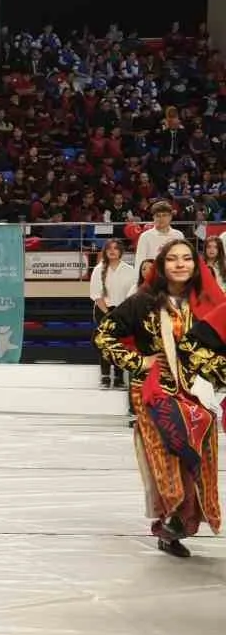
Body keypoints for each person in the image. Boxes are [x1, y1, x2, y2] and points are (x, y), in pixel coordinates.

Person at [95, 239, 226, 559]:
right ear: (162, 266)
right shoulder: (143, 302)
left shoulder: (207, 305)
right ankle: (169, 515)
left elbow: (215, 352)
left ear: (196, 266)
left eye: (187, 259)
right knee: (166, 450)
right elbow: (104, 334)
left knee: (196, 452)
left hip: (188, 391)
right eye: (173, 259)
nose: (180, 264)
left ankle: (178, 524)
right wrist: (141, 362)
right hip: (149, 390)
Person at [89, 238, 139, 390]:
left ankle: (118, 377)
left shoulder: (130, 270)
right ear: (105, 251)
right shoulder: (99, 269)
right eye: (109, 248)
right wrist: (108, 313)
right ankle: (105, 376)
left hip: (123, 312)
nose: (112, 251)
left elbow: (133, 294)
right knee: (105, 344)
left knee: (121, 345)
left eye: (116, 248)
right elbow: (96, 295)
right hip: (103, 310)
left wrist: (121, 313)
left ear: (121, 251)